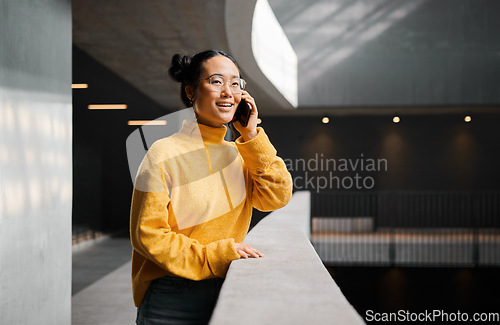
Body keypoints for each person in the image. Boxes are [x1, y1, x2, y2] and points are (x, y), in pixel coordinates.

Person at [130, 50, 293, 325]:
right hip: (173, 296)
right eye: (216, 81)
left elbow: (276, 197)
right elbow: (147, 234)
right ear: (191, 91)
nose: (228, 92)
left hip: (229, 284)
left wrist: (251, 135)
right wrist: (215, 256)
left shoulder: (242, 153)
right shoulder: (163, 152)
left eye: (236, 83)